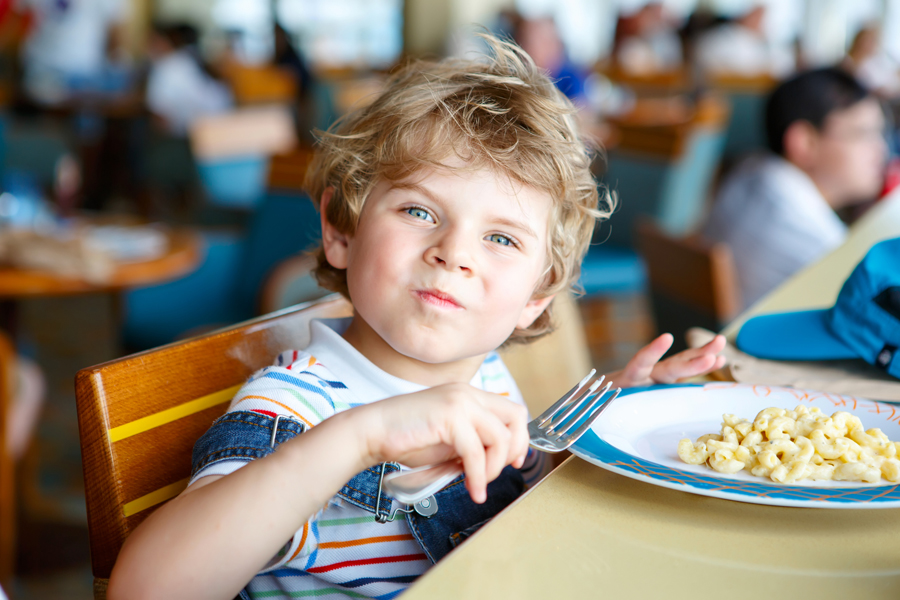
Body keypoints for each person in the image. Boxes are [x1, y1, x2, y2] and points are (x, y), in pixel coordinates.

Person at [107, 35, 725, 600]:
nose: (453, 253)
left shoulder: (483, 372)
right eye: (419, 212)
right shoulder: (295, 408)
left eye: (502, 240)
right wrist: (361, 438)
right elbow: (145, 591)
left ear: (538, 295)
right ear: (342, 229)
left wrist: (603, 418)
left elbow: (519, 503)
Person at [702, 68, 888, 310]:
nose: (881, 149)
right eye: (864, 134)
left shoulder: (748, 172)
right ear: (804, 142)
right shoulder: (819, 245)